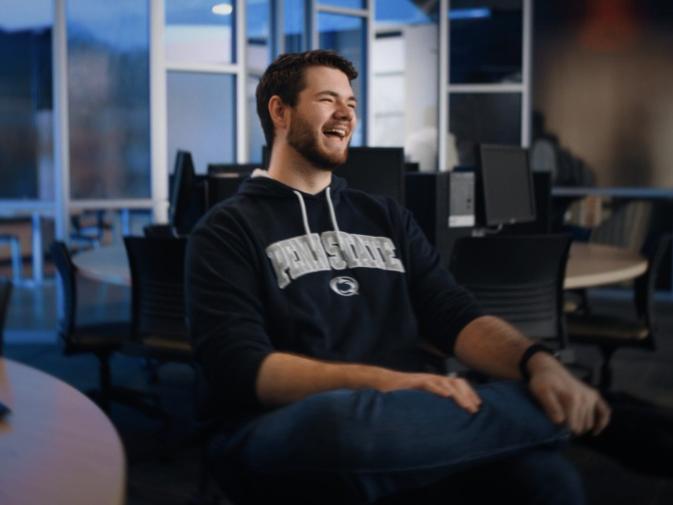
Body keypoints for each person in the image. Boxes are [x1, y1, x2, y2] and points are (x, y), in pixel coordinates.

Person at [186, 50, 611, 505]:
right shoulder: (227, 228)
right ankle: (594, 414)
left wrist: (537, 363)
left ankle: (558, 404)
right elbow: (243, 368)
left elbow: (454, 313)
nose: (346, 113)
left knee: (546, 481)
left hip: (409, 421)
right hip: (286, 425)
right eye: (328, 99)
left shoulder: (385, 216)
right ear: (280, 111)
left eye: (351, 102)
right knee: (345, 424)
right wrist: (387, 383)